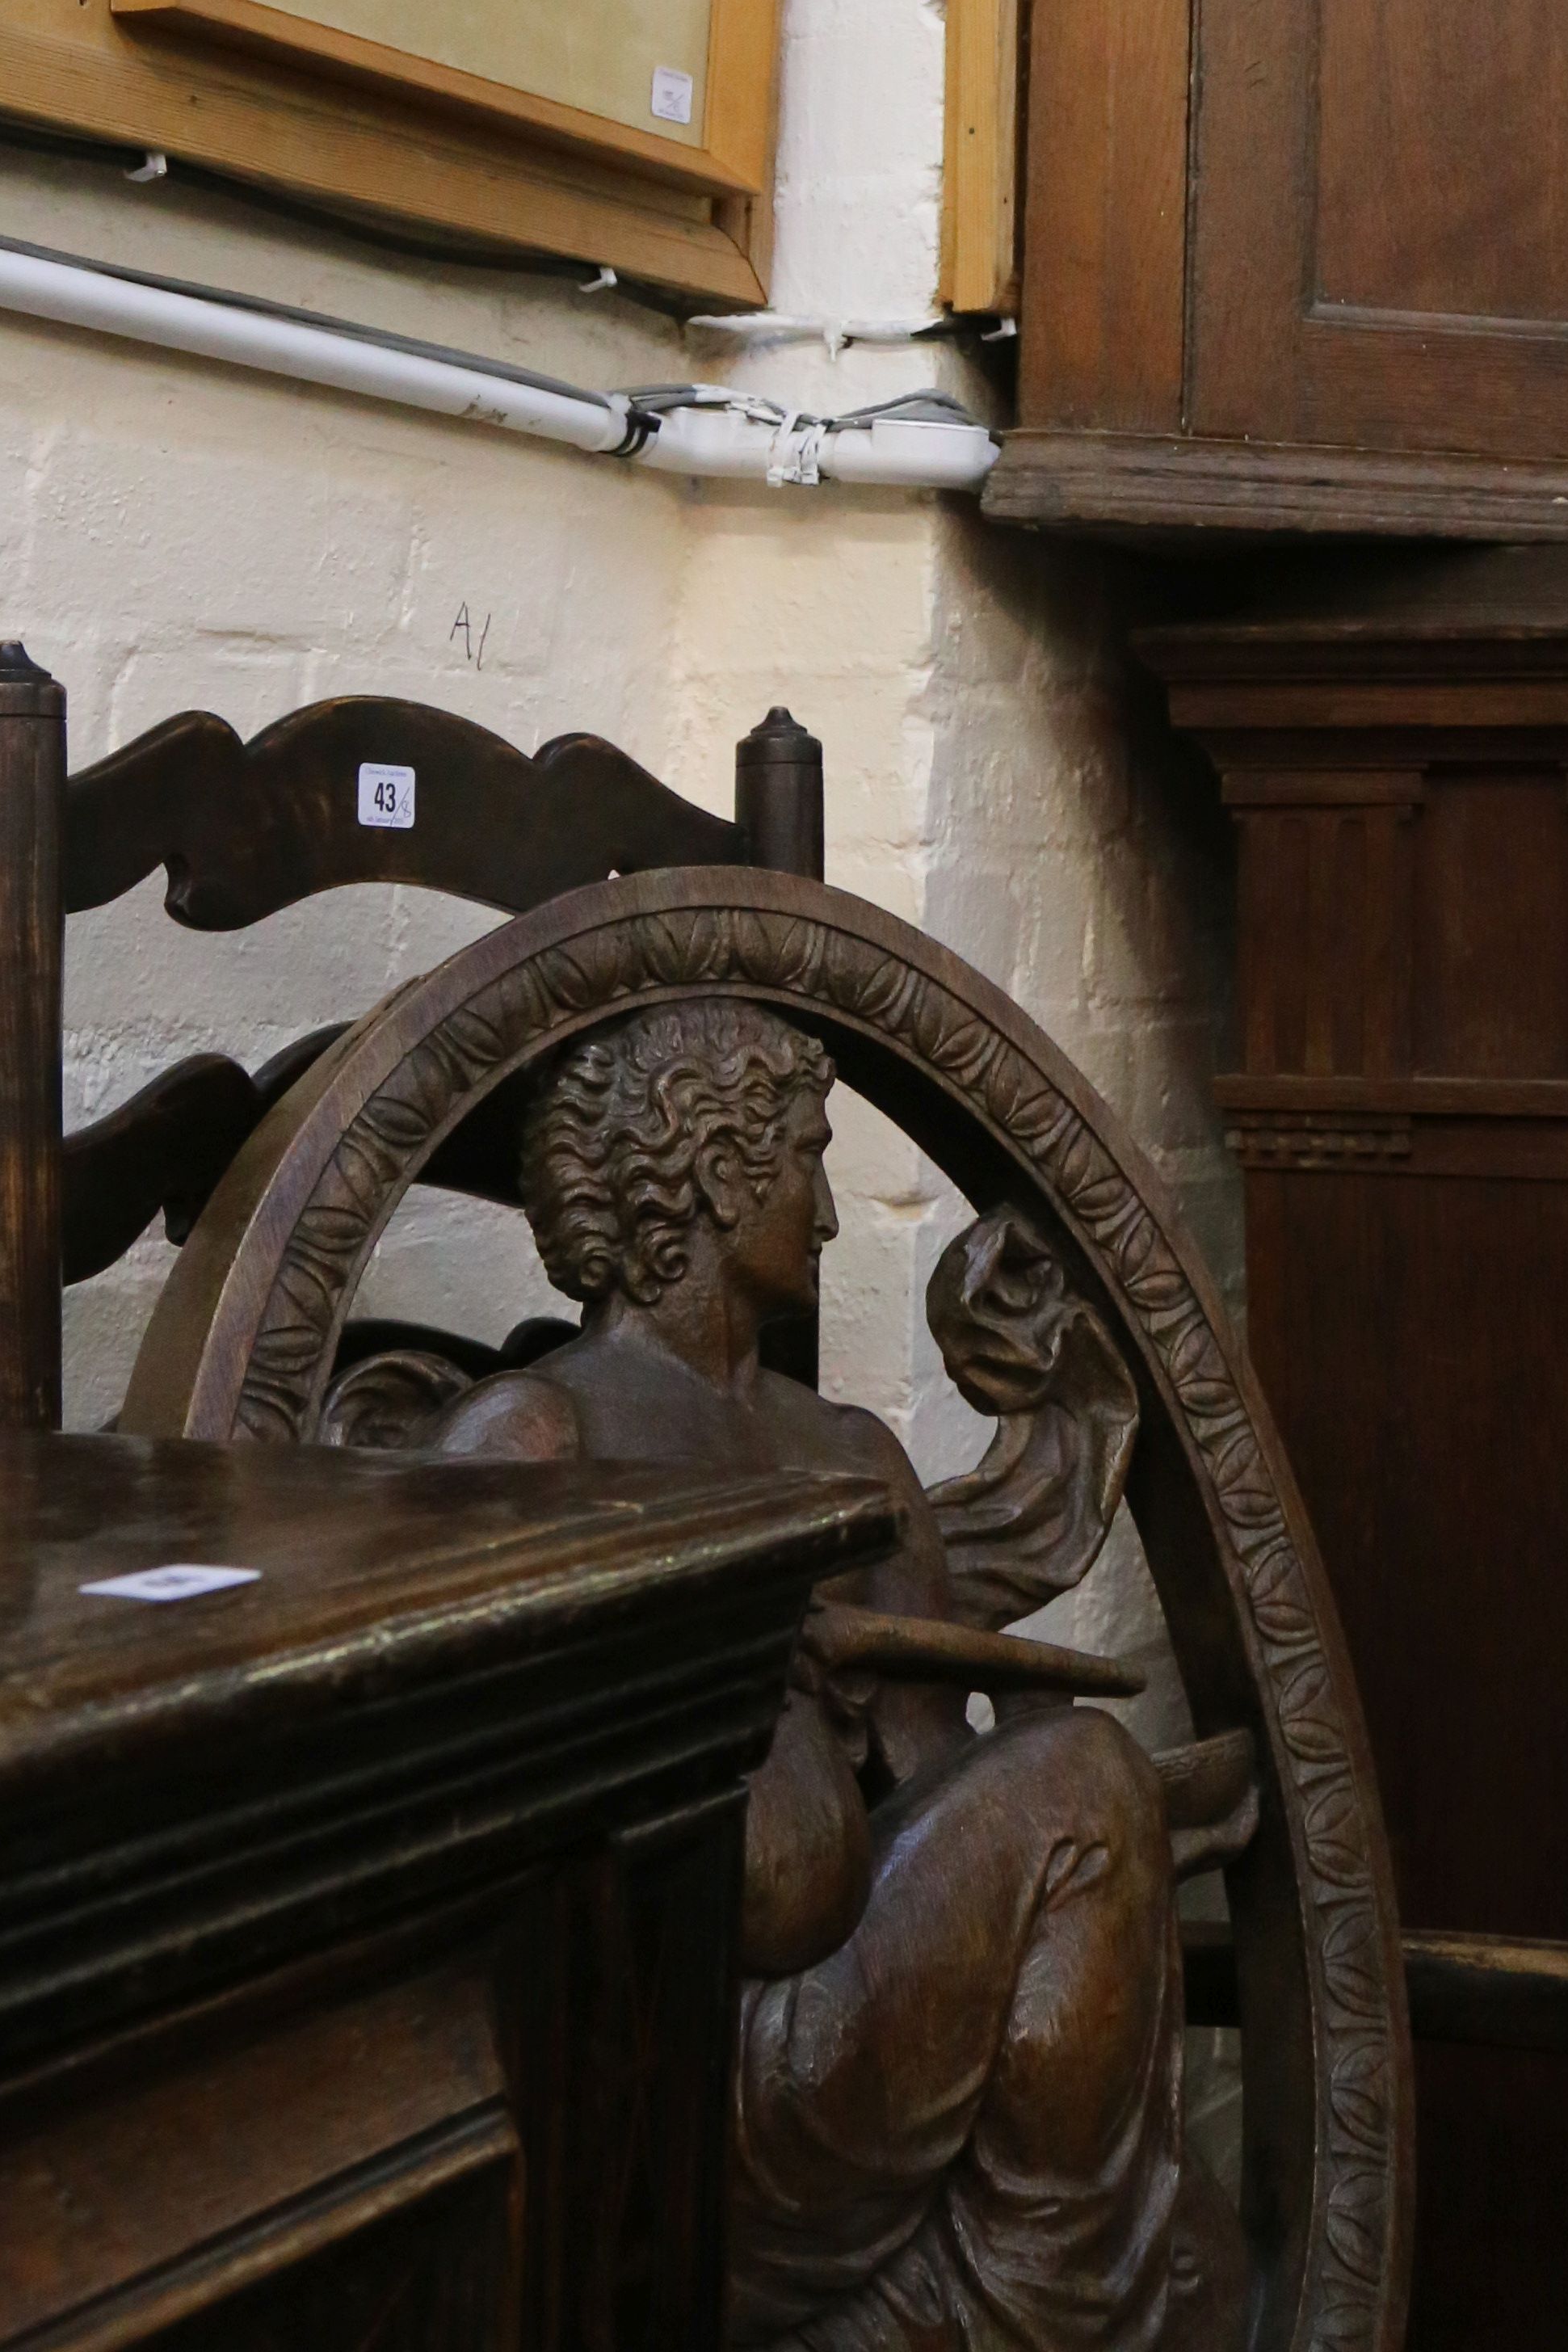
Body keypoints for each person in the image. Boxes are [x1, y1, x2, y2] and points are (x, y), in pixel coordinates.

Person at [433, 995, 1242, 2352]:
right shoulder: (536, 1435)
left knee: (1086, 1796)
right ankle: (1001, 2308)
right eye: (806, 1155)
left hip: (844, 2012)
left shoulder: (853, 1455)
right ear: (713, 1165)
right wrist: (719, 1670)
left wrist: (1098, 1810)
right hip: (657, 2065)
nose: (823, 1211)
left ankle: (997, 2296)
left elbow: (934, 1813)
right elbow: (457, 1822)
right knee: (1088, 1788)